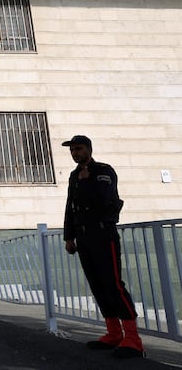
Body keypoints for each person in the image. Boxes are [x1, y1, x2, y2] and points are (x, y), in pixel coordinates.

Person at [62, 135, 144, 358]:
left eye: (78, 149)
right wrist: (68, 236)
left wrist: (89, 181)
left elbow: (104, 200)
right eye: (72, 150)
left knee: (113, 284)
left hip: (102, 234)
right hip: (83, 236)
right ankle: (113, 333)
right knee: (97, 284)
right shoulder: (74, 175)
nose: (75, 153)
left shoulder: (103, 171)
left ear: (88, 149)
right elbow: (71, 206)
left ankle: (133, 339)